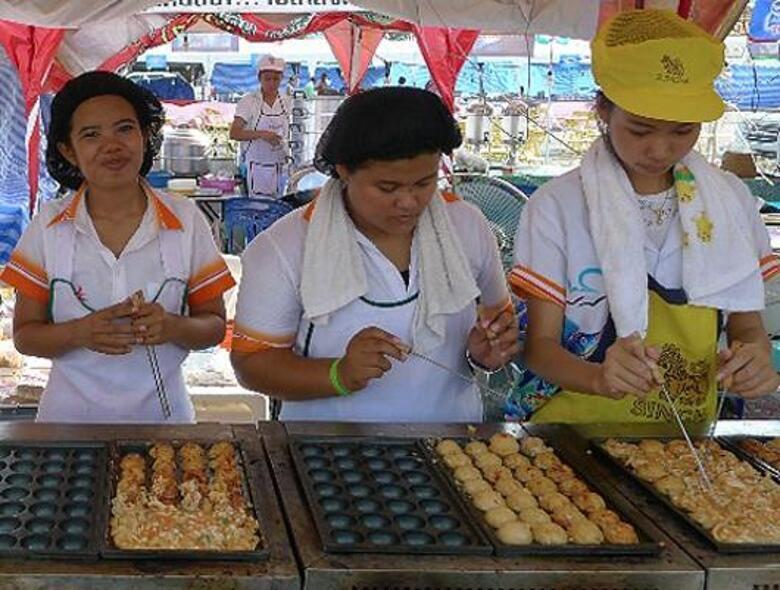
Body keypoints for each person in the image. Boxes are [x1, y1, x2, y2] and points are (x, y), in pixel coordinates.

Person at [508, 9, 780, 424]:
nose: (660, 149)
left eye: (682, 131)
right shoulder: (557, 206)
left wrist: (754, 355)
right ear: (602, 109)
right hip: (571, 433)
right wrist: (599, 377)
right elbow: (540, 348)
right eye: (640, 129)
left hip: (686, 433)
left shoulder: (729, 202)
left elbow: (746, 326)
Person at [231, 87, 519, 422]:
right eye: (388, 188)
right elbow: (251, 365)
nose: (408, 202)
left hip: (453, 445)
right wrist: (339, 374)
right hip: (327, 454)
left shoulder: (467, 226)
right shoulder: (285, 248)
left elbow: (497, 322)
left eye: (424, 183)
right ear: (344, 170)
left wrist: (485, 353)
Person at [1, 71, 235, 423]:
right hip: (67, 428)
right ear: (69, 150)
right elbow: (26, 336)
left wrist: (172, 326)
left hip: (166, 427)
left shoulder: (184, 219)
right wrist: (80, 332)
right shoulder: (49, 226)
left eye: (124, 129)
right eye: (91, 135)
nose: (111, 145)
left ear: (144, 136)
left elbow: (215, 326)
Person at [230, 55, 291, 199]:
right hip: (257, 167)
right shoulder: (249, 102)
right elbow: (234, 133)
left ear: (281, 79)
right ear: (259, 79)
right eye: (267, 79)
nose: (271, 83)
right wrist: (263, 134)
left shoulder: (287, 101)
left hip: (281, 163)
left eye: (276, 79)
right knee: (261, 207)